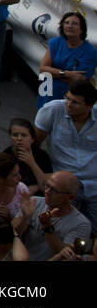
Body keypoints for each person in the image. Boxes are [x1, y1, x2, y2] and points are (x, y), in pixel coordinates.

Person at [34, 82, 97, 229]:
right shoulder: (53, 110)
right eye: (67, 98)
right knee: (60, 226)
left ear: (89, 106)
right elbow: (35, 144)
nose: (68, 104)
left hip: (93, 184)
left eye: (75, 102)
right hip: (63, 183)